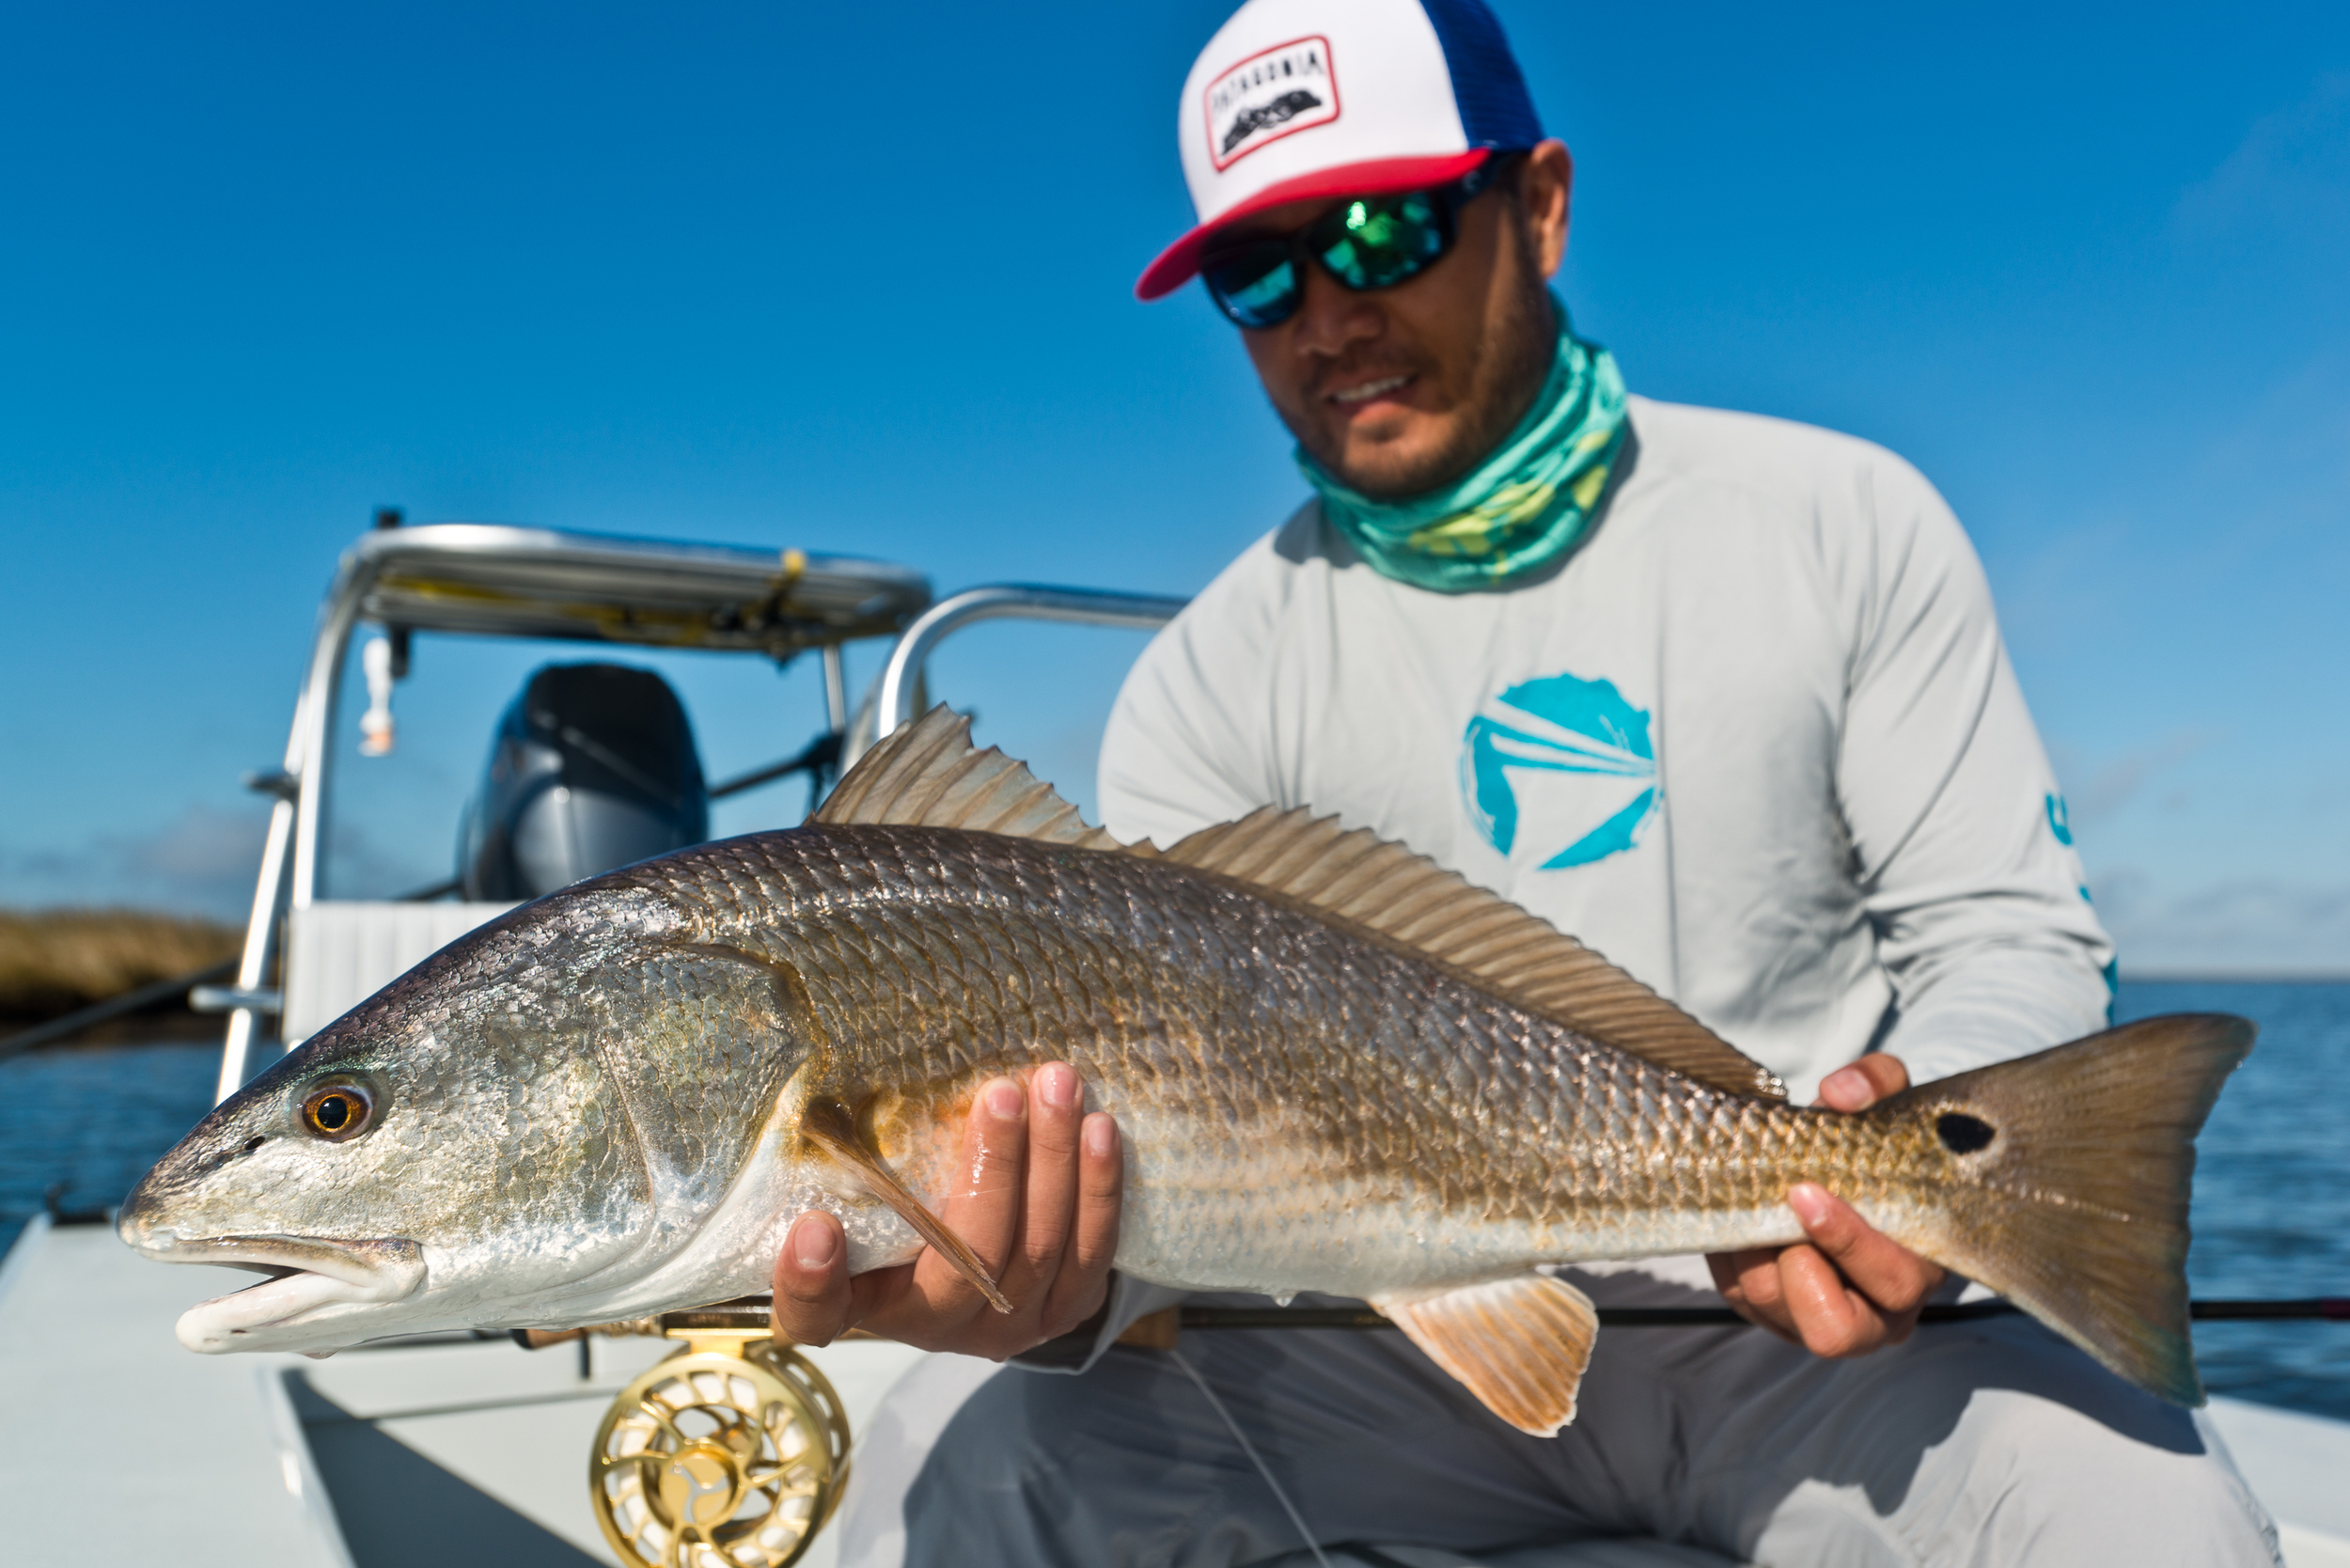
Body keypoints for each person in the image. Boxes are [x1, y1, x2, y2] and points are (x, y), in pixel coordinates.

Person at [772, 0, 2280, 1561]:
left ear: (1541, 204)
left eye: (1379, 229)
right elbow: (1180, 1162)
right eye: (1256, 271)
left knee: (2149, 1513)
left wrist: (1908, 1184)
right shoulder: (1208, 675)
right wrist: (1054, 1290)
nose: (1325, 314)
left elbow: (2000, 933)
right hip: (1375, 1356)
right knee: (953, 1466)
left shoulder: (1842, 518)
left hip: (1823, 1331)